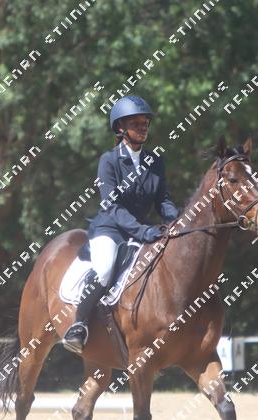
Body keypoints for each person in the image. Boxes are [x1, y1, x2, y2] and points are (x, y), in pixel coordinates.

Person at [62, 95, 180, 354]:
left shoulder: (155, 161)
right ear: (120, 128)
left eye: (145, 123)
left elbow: (163, 199)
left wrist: (176, 221)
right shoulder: (109, 160)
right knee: (104, 269)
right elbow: (112, 206)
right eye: (136, 123)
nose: (143, 127)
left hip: (142, 231)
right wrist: (142, 230)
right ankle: (79, 325)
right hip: (110, 229)